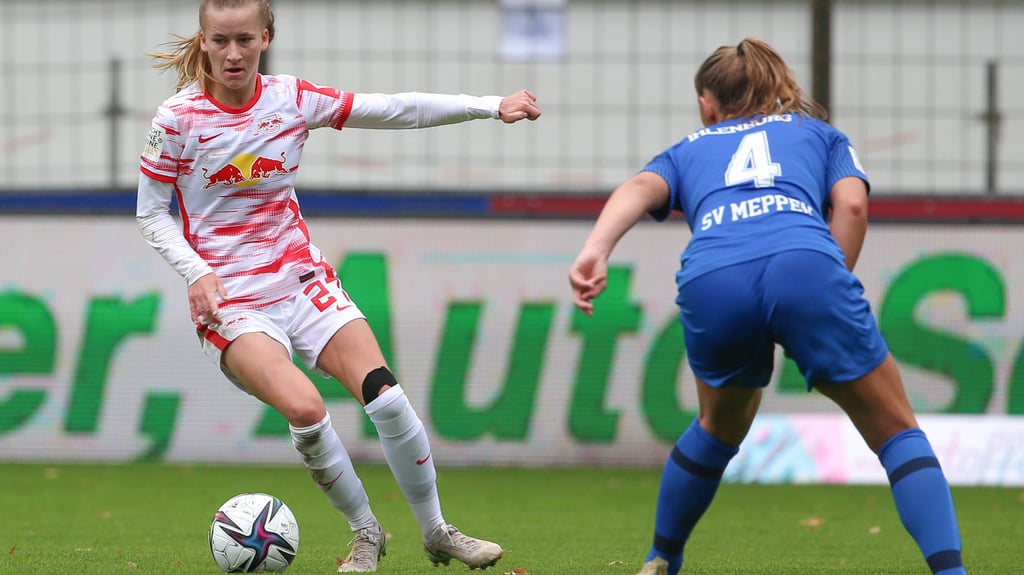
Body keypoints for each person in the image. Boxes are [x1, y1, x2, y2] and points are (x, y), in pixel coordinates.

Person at [137, 0, 540, 572]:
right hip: (232, 301)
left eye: (244, 40)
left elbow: (396, 109)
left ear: (265, 37)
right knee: (305, 407)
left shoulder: (291, 99)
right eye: (220, 41)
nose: (233, 54)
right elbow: (151, 213)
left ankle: (437, 531)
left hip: (302, 282)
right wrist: (197, 272)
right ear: (202, 41)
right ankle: (366, 534)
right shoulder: (177, 119)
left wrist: (489, 106)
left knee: (388, 397)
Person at [568, 37, 967, 575]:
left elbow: (640, 188)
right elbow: (851, 204)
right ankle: (950, 572)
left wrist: (596, 250)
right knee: (895, 429)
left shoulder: (688, 147)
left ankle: (663, 556)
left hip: (714, 275)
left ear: (708, 105)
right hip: (805, 263)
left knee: (717, 426)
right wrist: (825, 287)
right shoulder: (819, 134)